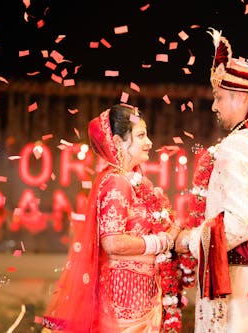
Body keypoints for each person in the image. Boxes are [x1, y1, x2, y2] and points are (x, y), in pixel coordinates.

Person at [175, 29, 248, 333]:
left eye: (218, 97)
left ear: (240, 97)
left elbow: (240, 223)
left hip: (240, 285)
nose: (214, 106)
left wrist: (188, 240)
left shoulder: (238, 143)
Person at [42, 103, 180, 332]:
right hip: (123, 302)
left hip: (143, 297)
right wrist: (162, 241)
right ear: (118, 142)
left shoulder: (137, 182)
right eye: (141, 135)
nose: (149, 143)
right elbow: (113, 242)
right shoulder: (116, 182)